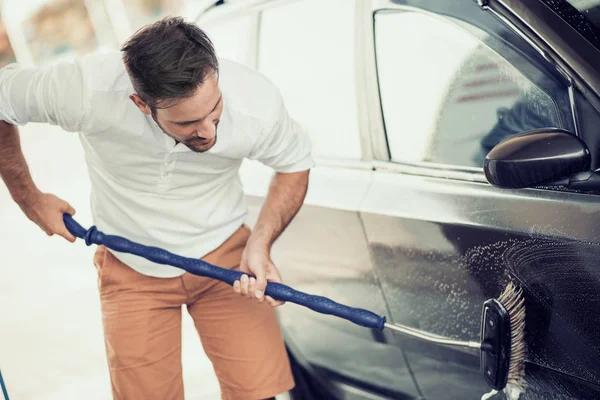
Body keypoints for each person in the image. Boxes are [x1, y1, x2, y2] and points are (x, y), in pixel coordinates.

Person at [0, 16, 314, 400]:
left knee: (259, 393)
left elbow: (295, 162)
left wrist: (260, 244)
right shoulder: (85, 89)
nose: (209, 131)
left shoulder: (255, 102)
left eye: (214, 110)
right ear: (141, 104)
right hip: (131, 266)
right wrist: (29, 199)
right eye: (189, 122)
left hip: (227, 258)